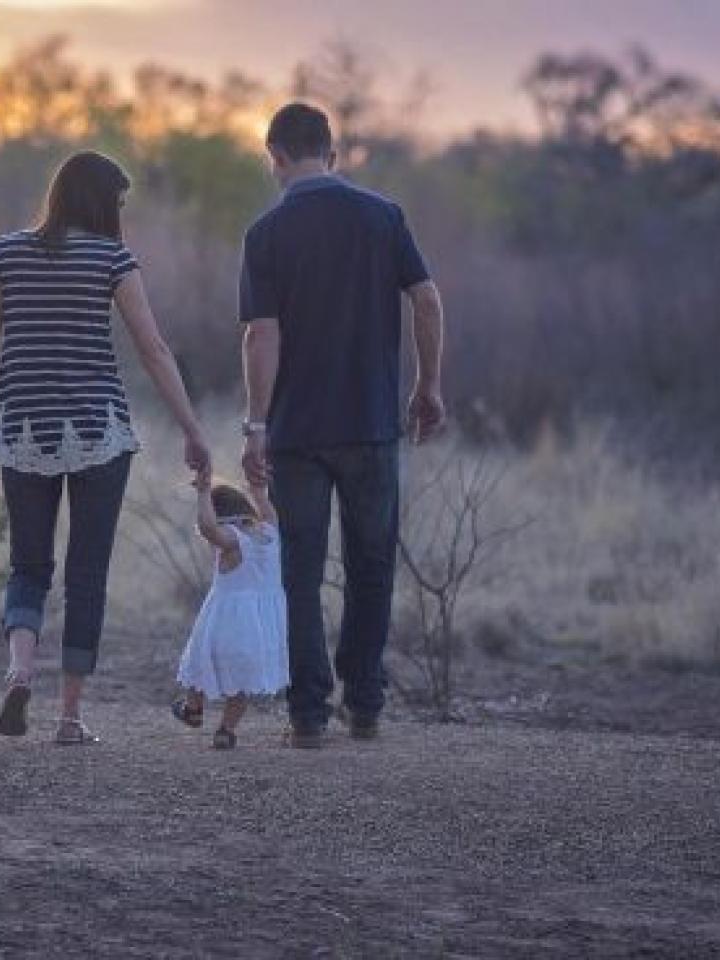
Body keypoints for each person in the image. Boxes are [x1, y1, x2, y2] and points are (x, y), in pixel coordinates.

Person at [0, 150, 211, 745]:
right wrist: (192, 429)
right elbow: (152, 350)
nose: (121, 214)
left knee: (28, 565)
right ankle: (69, 717)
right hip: (99, 430)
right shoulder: (112, 259)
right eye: (119, 203)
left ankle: (20, 670)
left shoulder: (6, 253)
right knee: (87, 573)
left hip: (22, 428)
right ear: (101, 201)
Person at [238, 103, 448, 748]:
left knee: (299, 572)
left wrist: (255, 423)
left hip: (298, 431)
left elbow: (260, 335)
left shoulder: (267, 232)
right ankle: (365, 704)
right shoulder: (383, 217)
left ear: (274, 156)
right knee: (371, 565)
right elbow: (428, 299)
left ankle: (307, 715)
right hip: (370, 423)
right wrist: (427, 385)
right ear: (332, 153)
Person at [171, 477, 288, 750]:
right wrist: (258, 490)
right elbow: (268, 508)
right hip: (260, 628)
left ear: (222, 517)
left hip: (226, 622)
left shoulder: (232, 540)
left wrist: (202, 494)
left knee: (199, 662)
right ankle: (226, 730)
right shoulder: (270, 532)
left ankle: (194, 709)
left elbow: (208, 528)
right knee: (242, 682)